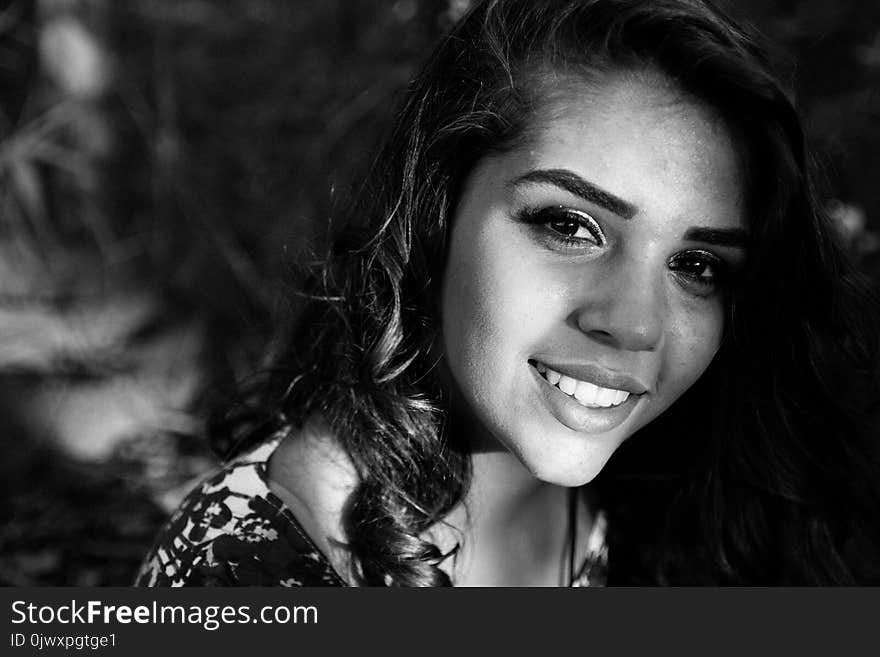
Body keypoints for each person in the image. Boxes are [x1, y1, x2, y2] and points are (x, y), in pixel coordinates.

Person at [136, 0, 880, 587]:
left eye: (698, 265)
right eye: (569, 223)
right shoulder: (244, 570)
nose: (635, 325)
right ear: (439, 207)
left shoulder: (678, 492)